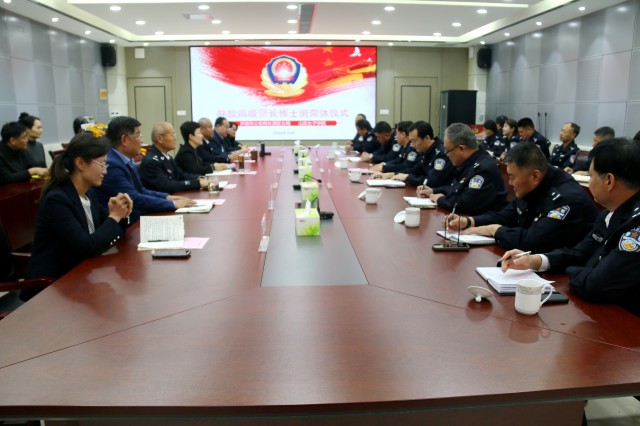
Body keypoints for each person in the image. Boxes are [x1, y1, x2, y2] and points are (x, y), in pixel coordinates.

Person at [501, 138, 640, 317]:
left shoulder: (636, 227)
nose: (589, 181)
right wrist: (536, 260)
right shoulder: (609, 213)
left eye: (591, 176)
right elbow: (580, 253)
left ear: (609, 181)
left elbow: (595, 285)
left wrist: (574, 270)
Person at [23, 133, 132, 301]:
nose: (105, 171)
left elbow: (109, 232)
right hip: (52, 286)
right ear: (80, 163)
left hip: (80, 275)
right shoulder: (57, 200)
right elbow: (88, 246)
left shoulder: (88, 193)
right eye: (102, 164)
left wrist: (123, 213)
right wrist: (114, 216)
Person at [446, 142, 598, 252]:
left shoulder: (566, 199)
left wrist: (494, 230)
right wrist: (469, 221)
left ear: (534, 176)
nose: (510, 183)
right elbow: (508, 214)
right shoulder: (533, 185)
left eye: (512, 177)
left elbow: (532, 241)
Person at [93, 116, 195, 223]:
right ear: (124, 140)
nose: (142, 140)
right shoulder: (112, 165)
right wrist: (173, 204)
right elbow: (134, 199)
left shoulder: (124, 159)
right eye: (138, 135)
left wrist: (168, 198)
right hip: (125, 225)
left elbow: (140, 190)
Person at [416, 123, 507, 214]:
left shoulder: (483, 168)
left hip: (479, 220)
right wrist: (433, 191)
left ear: (461, 149)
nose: (446, 155)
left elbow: (465, 204)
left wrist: (440, 199)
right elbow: (455, 189)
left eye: (447, 150)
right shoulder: (469, 162)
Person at [378, 121, 454, 187]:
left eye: (414, 141)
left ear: (427, 138)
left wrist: (408, 177)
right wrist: (393, 174)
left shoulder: (441, 153)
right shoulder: (425, 151)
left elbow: (432, 181)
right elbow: (415, 171)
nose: (412, 145)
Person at [140, 122, 209, 193]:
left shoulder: (167, 156)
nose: (175, 138)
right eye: (172, 134)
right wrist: (197, 183)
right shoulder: (152, 161)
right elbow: (167, 185)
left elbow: (180, 174)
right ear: (159, 138)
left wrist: (199, 178)